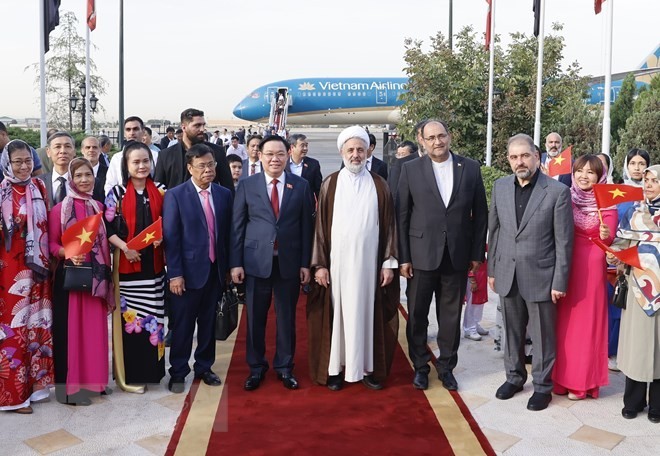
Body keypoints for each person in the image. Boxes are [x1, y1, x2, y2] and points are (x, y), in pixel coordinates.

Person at [397, 119, 488, 391]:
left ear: (449, 136)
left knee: (450, 317)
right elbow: (402, 215)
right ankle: (421, 367)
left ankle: (447, 367)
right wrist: (404, 257)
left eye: (442, 136)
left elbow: (480, 214)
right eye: (431, 137)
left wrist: (475, 253)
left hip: (457, 256)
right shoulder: (410, 169)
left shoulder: (469, 168)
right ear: (421, 140)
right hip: (421, 255)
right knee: (417, 315)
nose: (438, 142)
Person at [308, 126, 399, 391]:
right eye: (351, 150)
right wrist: (320, 265)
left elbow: (390, 226)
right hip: (337, 267)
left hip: (370, 268)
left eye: (360, 149)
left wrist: (388, 263)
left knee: (368, 315)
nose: (356, 155)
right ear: (342, 152)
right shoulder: (330, 183)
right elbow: (321, 229)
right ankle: (335, 369)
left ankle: (368, 369)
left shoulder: (380, 184)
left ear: (369, 151)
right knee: (338, 315)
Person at [488, 133, 573, 411]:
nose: (519, 161)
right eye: (514, 157)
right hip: (507, 273)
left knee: (542, 335)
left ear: (537, 157)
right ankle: (513, 377)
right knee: (511, 332)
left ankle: (542, 386)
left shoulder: (557, 192)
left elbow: (563, 241)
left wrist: (559, 280)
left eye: (525, 155)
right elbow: (496, 231)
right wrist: (492, 269)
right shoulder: (500, 187)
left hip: (541, 276)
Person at [230, 136, 314, 391]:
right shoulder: (247, 185)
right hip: (256, 263)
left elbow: (306, 228)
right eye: (269, 154)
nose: (274, 159)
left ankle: (285, 367)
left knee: (286, 318)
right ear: (260, 155)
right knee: (255, 318)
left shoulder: (300, 186)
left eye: (279, 154)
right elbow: (237, 227)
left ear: (288, 154)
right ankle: (256, 368)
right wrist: (236, 263)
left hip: (288, 263)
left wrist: (305, 263)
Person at [163, 143, 233, 393]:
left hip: (215, 272)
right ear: (190, 168)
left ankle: (204, 366)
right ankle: (179, 371)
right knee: (182, 325)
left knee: (208, 324)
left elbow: (228, 235)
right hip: (186, 274)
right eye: (202, 165)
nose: (208, 170)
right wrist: (176, 274)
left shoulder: (224, 194)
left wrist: (228, 268)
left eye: (211, 164)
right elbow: (171, 237)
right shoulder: (176, 195)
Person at [48, 158, 114, 406]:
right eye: (79, 176)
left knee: (94, 333)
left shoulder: (98, 206)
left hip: (96, 280)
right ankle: (71, 390)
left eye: (88, 175)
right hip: (71, 281)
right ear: (71, 180)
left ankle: (95, 383)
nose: (85, 180)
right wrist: (66, 253)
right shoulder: (59, 210)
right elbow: (52, 244)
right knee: (73, 335)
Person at [552, 155, 617, 400]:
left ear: (600, 176)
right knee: (564, 325)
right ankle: (561, 378)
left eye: (591, 172)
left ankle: (582, 382)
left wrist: (606, 234)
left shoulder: (607, 203)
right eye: (580, 171)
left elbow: (609, 240)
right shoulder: (565, 196)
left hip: (591, 268)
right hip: (565, 266)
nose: (584, 176)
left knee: (587, 327)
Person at [105, 141, 166, 392]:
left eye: (145, 161)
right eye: (136, 162)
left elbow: (171, 220)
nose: (142, 166)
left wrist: (165, 235)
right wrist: (125, 247)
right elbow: (106, 227)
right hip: (127, 268)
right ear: (126, 165)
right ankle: (131, 375)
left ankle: (152, 373)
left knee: (156, 320)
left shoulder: (162, 190)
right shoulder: (116, 194)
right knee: (132, 321)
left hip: (154, 267)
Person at [0, 140, 53, 414]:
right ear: (7, 163)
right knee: (14, 330)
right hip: (11, 275)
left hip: (39, 271)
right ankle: (13, 397)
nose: (23, 166)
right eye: (17, 161)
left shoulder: (39, 187)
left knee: (37, 327)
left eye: (27, 161)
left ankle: (35, 389)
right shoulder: (2, 192)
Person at [609, 165, 660, 422]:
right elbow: (620, 246)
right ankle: (633, 401)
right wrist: (613, 252)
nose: (648, 184)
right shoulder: (632, 212)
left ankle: (657, 405)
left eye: (655, 180)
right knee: (636, 346)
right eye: (647, 180)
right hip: (637, 288)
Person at [154, 108, 233, 192]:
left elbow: (228, 187)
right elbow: (158, 190)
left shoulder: (217, 152)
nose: (202, 129)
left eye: (203, 125)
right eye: (197, 125)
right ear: (184, 127)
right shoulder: (165, 155)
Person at [104, 117, 148, 195]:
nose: (132, 133)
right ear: (124, 133)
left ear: (143, 131)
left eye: (135, 129)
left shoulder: (155, 156)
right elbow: (110, 185)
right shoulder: (117, 158)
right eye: (128, 129)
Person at [285, 133, 322, 199]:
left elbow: (318, 189)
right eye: (302, 146)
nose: (305, 148)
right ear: (292, 147)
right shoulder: (283, 164)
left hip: (307, 206)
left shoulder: (313, 164)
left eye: (306, 145)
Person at [463, 250, 489, 341]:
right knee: (472, 301)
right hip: (473, 269)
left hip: (482, 269)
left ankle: (475, 323)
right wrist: (471, 275)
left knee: (480, 301)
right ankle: (469, 328)